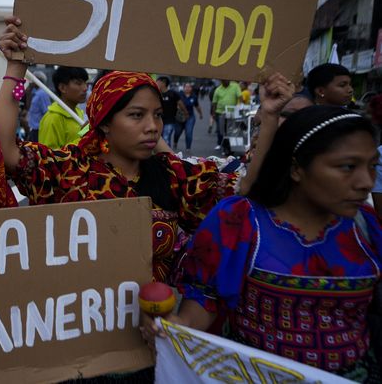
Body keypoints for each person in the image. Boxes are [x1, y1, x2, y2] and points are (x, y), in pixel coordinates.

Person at [0, 16, 293, 285]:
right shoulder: (72, 169)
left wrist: (269, 117)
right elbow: (6, 151)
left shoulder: (173, 173)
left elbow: (246, 186)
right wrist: (16, 68)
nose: (153, 126)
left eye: (158, 114)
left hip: (157, 330)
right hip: (82, 328)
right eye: (137, 115)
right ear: (105, 123)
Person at [149, 105, 381, 381]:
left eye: (372, 166)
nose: (366, 182)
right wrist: (174, 329)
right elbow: (202, 304)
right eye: (347, 167)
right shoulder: (238, 220)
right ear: (296, 169)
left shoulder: (366, 226)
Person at [37, 66, 88, 149]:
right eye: (78, 83)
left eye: (85, 83)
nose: (85, 88)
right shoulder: (53, 118)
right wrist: (84, 139)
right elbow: (48, 157)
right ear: (62, 88)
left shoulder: (78, 112)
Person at [157, 76, 187, 149]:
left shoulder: (173, 93)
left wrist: (186, 113)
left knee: (166, 138)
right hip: (158, 121)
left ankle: (167, 157)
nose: (156, 83)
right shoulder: (157, 94)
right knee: (158, 140)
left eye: (157, 81)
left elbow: (180, 104)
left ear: (163, 83)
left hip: (170, 121)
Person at [212, 79, 242, 150]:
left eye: (227, 80)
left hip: (232, 112)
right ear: (221, 81)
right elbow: (214, 102)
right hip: (220, 112)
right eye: (223, 80)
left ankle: (228, 145)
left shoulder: (235, 86)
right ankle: (219, 144)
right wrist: (213, 113)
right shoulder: (218, 89)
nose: (225, 81)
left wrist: (239, 106)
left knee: (230, 129)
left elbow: (240, 97)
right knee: (220, 129)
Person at [174, 83, 202, 153]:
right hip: (180, 116)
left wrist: (200, 114)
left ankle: (188, 148)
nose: (187, 88)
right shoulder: (179, 95)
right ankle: (175, 142)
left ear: (191, 88)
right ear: (183, 88)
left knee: (189, 132)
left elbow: (197, 106)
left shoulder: (194, 96)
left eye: (189, 87)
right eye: (186, 87)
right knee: (177, 132)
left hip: (190, 117)